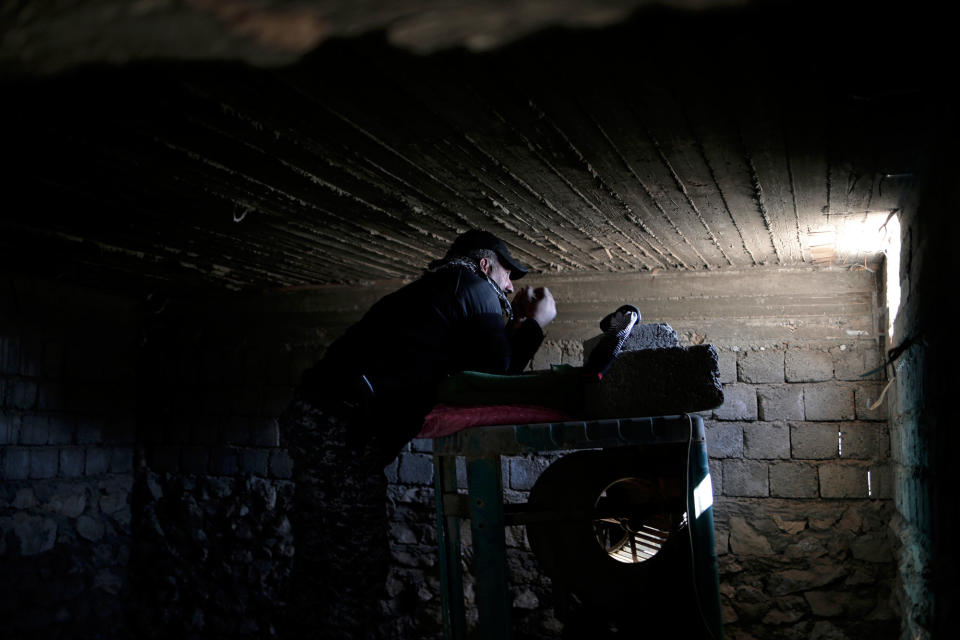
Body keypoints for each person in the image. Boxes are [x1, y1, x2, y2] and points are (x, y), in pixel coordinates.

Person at [278, 229, 638, 638]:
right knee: (354, 566)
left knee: (320, 557)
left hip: (322, 417)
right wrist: (537, 322)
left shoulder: (441, 292)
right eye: (507, 275)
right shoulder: (471, 284)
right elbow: (495, 378)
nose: (510, 286)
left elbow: (476, 366)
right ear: (485, 265)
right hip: (339, 428)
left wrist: (515, 325)